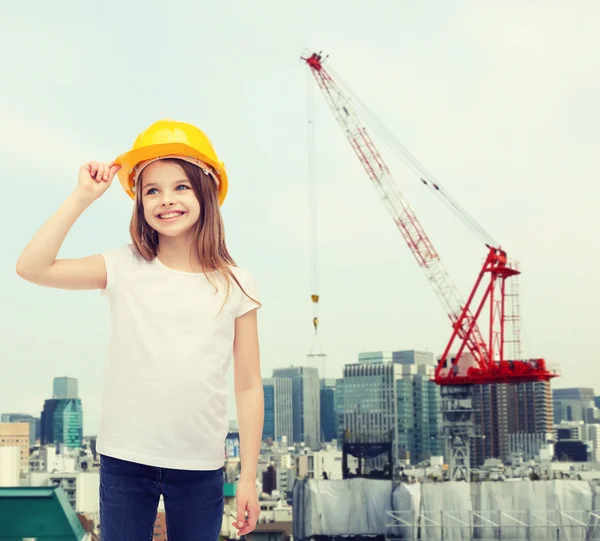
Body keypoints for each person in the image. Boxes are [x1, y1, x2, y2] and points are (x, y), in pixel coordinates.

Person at [16, 119, 264, 540]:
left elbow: (248, 385)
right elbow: (31, 267)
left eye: (180, 186)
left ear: (206, 191)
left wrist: (247, 478)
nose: (166, 200)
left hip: (201, 463)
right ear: (139, 201)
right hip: (125, 458)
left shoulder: (236, 282)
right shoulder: (124, 265)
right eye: (152, 190)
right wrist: (82, 197)